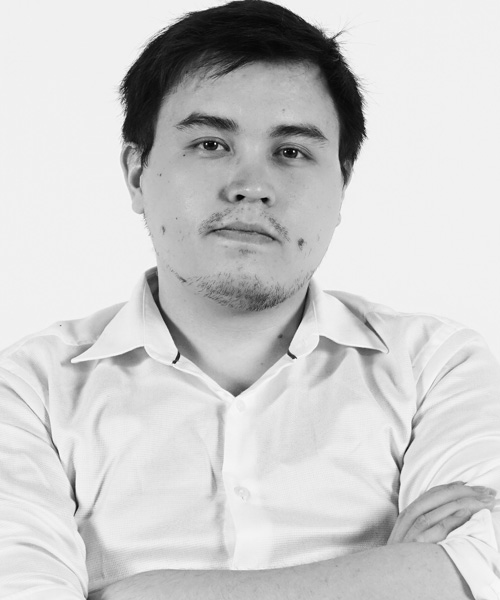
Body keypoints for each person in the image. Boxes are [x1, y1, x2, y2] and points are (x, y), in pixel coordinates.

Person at [1, 1, 499, 598]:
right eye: (211, 144)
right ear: (137, 174)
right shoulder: (29, 391)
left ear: (343, 184)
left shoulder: (435, 367)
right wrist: (399, 577)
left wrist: (135, 592)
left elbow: (487, 566)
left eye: (291, 152)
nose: (252, 187)